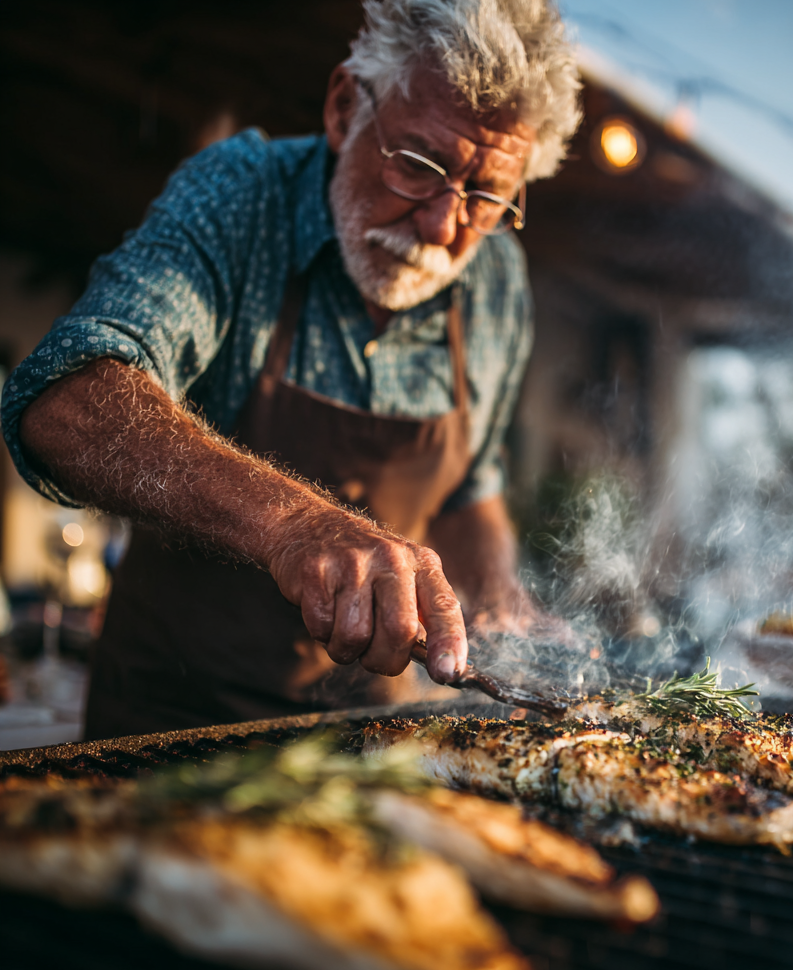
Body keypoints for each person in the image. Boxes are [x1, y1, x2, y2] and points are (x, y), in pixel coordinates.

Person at [1, 0, 582, 738]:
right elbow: (66, 394)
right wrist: (297, 526)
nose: (444, 226)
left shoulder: (497, 278)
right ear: (345, 109)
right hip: (173, 727)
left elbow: (472, 486)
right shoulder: (242, 197)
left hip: (373, 743)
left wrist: (499, 599)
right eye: (419, 165)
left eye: (488, 193)